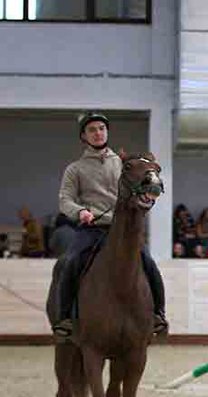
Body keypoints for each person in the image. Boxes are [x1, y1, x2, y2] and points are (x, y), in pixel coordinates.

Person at [51, 111, 167, 339]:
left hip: (122, 230)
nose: (98, 133)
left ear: (107, 132)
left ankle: (158, 314)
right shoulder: (75, 169)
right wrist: (81, 211)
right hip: (92, 228)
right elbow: (65, 200)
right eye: (92, 130)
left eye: (101, 129)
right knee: (70, 262)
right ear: (84, 136)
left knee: (149, 262)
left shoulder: (124, 165)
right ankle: (64, 318)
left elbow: (139, 189)